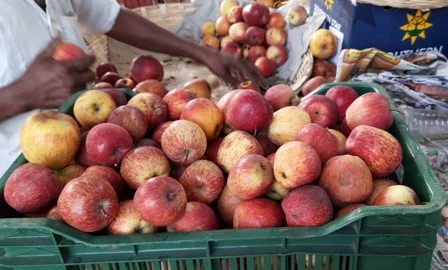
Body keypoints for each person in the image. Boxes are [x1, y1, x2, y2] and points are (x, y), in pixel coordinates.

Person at [0, 0, 263, 176]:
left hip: (90, 149)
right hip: (14, 173)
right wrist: (22, 94)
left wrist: (201, 53)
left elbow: (108, 17)